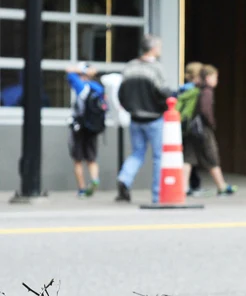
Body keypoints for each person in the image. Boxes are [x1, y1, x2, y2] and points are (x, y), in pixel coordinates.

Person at [116, 34, 173, 204]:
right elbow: (163, 92)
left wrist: (130, 109)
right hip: (154, 118)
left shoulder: (129, 67)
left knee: (137, 153)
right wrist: (165, 105)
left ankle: (125, 178)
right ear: (153, 49)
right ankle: (157, 195)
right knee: (158, 157)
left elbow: (121, 93)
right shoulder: (156, 69)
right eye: (159, 46)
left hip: (135, 118)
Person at [182, 65, 236, 196]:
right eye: (215, 77)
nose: (216, 80)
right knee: (212, 157)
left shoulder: (195, 89)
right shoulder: (207, 91)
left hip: (190, 128)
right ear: (207, 77)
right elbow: (205, 110)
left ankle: (183, 188)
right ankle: (221, 186)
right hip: (202, 129)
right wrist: (211, 123)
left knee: (188, 158)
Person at [66, 63, 106, 198]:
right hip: (93, 127)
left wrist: (81, 70)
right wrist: (91, 72)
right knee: (91, 158)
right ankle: (94, 179)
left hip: (79, 127)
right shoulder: (98, 88)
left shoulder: (80, 86)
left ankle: (82, 189)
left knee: (78, 159)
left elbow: (69, 71)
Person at [178, 62, 204, 195]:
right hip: (191, 127)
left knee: (186, 157)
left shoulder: (181, 89)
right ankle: (185, 187)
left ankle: (191, 184)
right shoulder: (195, 92)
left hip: (180, 127)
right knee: (189, 158)